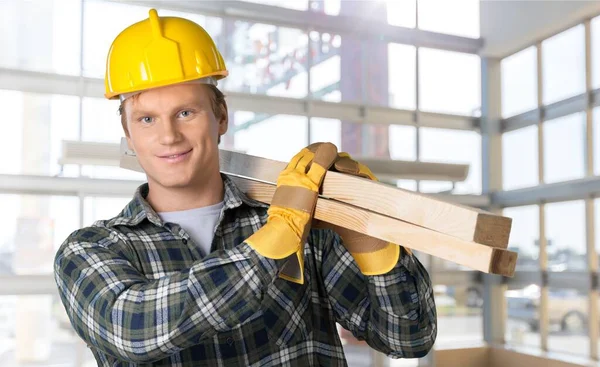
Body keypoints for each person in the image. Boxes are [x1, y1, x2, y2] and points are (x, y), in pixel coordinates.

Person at [54, 9, 437, 367]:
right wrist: (273, 241)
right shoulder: (90, 249)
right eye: (147, 119)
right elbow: (132, 331)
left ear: (221, 117)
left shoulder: (308, 229)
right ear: (128, 134)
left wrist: (371, 239)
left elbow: (409, 338)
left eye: (185, 113)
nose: (168, 136)